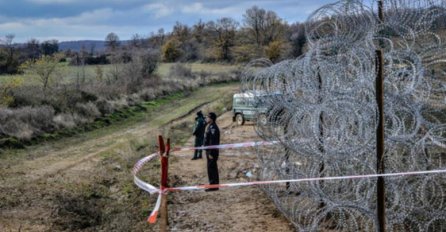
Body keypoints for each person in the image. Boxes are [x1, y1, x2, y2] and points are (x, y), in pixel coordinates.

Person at [204, 112, 220, 191]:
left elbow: (213, 142)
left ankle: (213, 186)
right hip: (209, 150)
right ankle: (213, 185)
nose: (206, 118)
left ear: (211, 119)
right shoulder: (210, 126)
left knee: (212, 168)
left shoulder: (213, 128)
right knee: (211, 168)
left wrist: (210, 152)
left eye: (207, 117)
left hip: (212, 151)